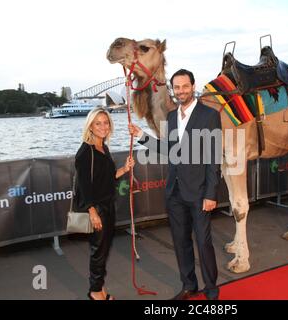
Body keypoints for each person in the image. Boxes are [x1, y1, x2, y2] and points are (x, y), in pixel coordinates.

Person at [129, 69, 222, 300]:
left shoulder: (209, 115)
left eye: (185, 86)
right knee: (181, 244)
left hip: (200, 192)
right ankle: (189, 285)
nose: (181, 91)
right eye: (177, 87)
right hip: (175, 192)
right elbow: (168, 150)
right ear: (173, 90)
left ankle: (211, 288)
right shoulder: (171, 117)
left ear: (193, 86)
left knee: (203, 243)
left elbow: (213, 158)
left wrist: (211, 194)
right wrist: (141, 135)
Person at [75, 107, 135, 300]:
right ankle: (94, 292)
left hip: (108, 206)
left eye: (106, 122)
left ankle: (99, 289)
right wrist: (92, 212)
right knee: (98, 252)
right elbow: (83, 187)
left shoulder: (103, 148)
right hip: (97, 210)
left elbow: (108, 178)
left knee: (103, 250)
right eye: (98, 123)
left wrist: (124, 169)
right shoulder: (86, 152)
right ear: (90, 127)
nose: (103, 126)